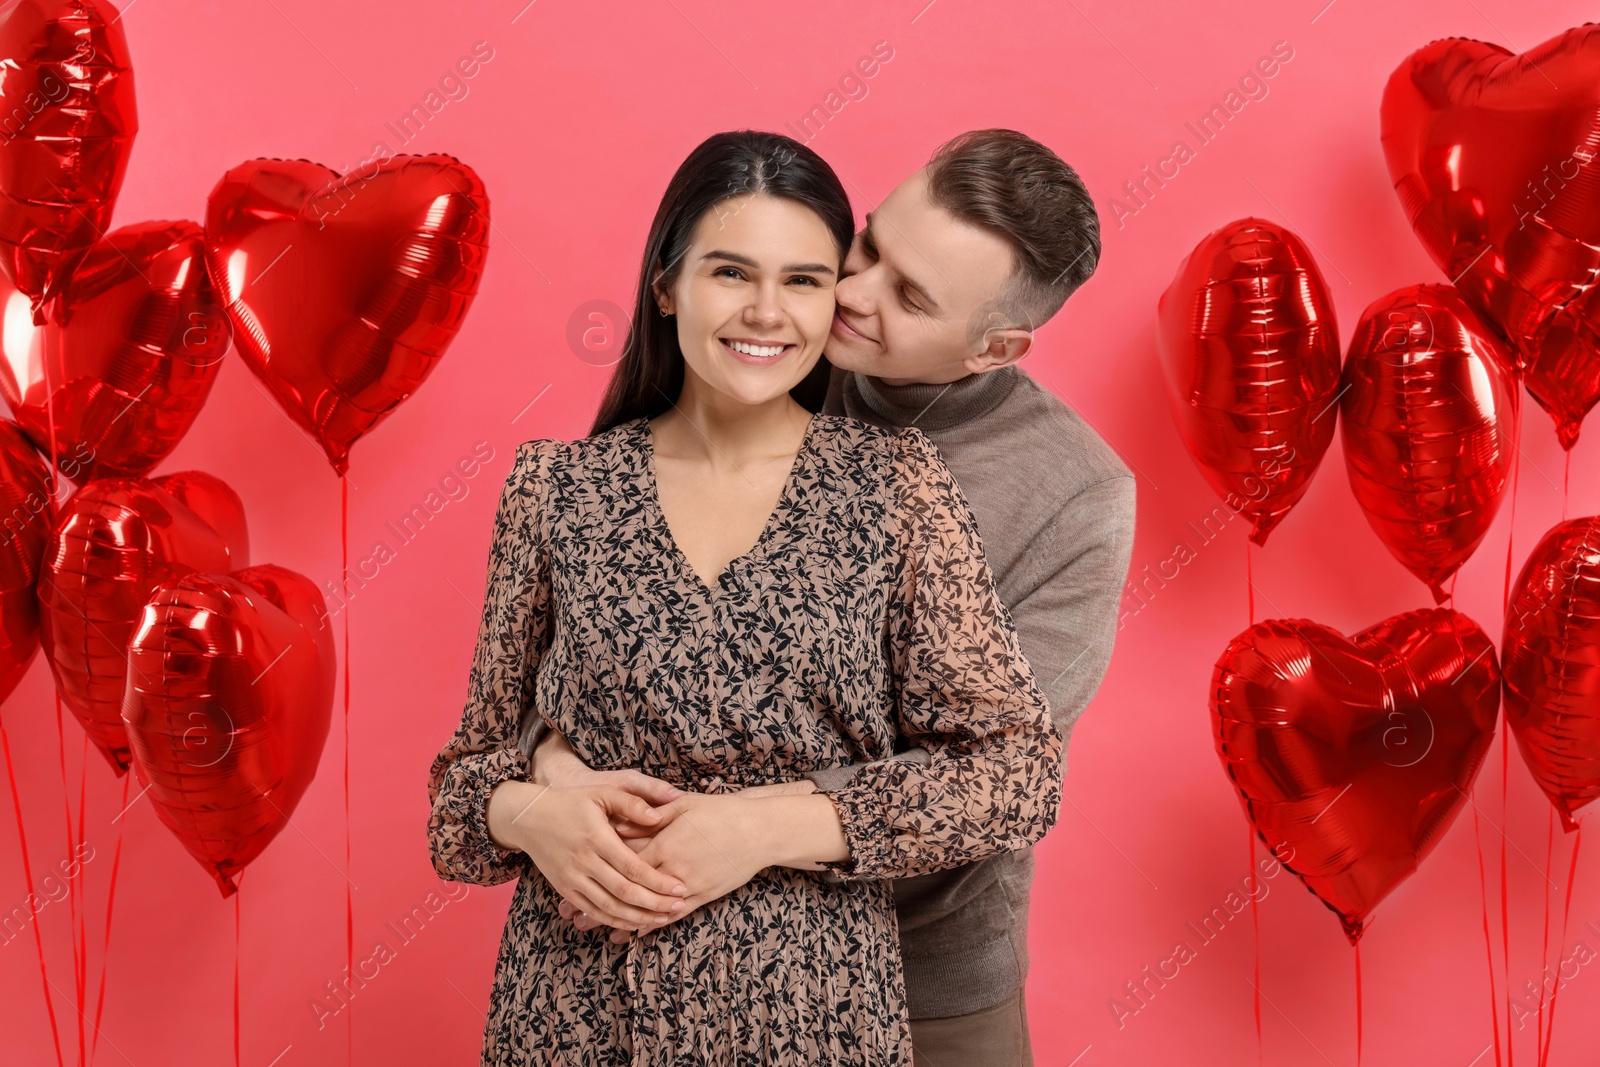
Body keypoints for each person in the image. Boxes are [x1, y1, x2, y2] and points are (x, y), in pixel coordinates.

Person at [426, 129, 1062, 1066]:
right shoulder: (557, 491)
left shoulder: (895, 487)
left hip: (811, 1013)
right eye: (731, 272)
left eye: (805, 280)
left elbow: (1014, 775)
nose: (767, 312)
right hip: (572, 1012)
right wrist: (528, 814)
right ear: (666, 286)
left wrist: (762, 829)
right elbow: (459, 790)